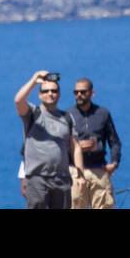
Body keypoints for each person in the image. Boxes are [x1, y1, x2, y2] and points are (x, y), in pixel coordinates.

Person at [15, 70, 84, 209]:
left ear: (59, 94)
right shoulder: (33, 113)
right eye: (45, 91)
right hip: (37, 178)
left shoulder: (67, 117)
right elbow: (18, 100)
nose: (50, 94)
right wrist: (34, 80)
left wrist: (80, 175)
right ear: (40, 95)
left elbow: (75, 147)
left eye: (53, 91)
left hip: (62, 178)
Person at [66, 78, 121, 209]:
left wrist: (114, 163)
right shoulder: (68, 115)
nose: (79, 95)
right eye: (76, 92)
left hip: (99, 170)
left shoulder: (103, 114)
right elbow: (61, 144)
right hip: (75, 172)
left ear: (92, 93)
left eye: (83, 92)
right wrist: (76, 147)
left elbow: (114, 141)